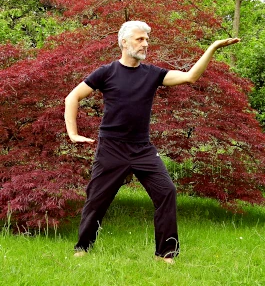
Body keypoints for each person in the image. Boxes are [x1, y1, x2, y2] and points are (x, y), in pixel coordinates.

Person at [64, 20, 240, 264]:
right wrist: (72, 133)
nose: (145, 44)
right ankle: (83, 247)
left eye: (147, 39)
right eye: (140, 39)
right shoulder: (106, 72)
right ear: (124, 42)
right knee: (97, 199)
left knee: (167, 191)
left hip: (142, 149)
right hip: (111, 147)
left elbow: (190, 77)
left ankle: (166, 254)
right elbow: (72, 97)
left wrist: (212, 47)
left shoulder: (153, 74)